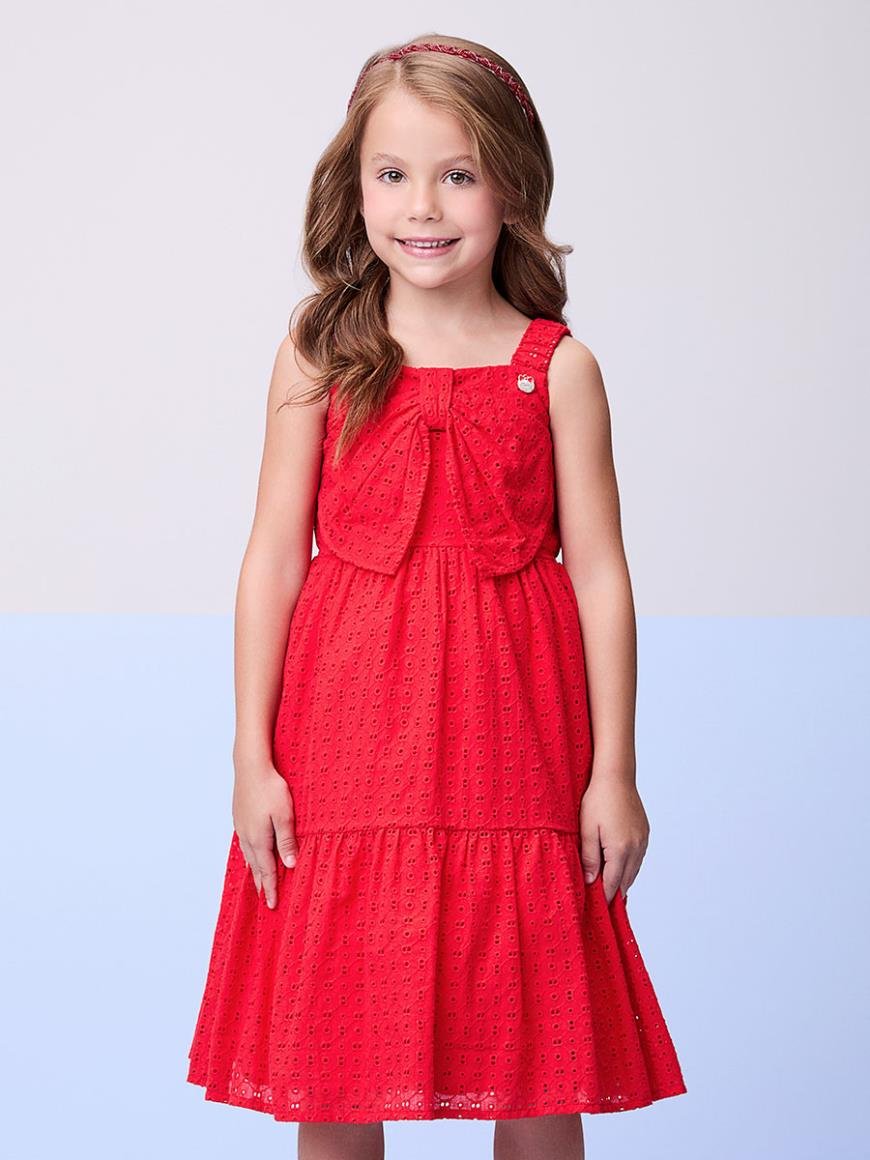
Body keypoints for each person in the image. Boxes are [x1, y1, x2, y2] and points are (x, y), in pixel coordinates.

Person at [186, 33, 687, 1160]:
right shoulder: (318, 353)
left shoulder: (558, 369)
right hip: (345, 742)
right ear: (355, 186)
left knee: (536, 1052)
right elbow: (273, 557)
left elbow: (601, 574)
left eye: (458, 174)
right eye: (393, 174)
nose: (423, 205)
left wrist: (614, 772)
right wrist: (252, 756)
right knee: (334, 1060)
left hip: (520, 744)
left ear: (512, 187)